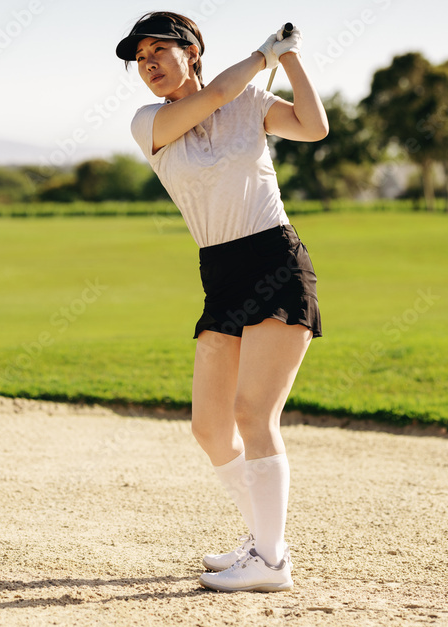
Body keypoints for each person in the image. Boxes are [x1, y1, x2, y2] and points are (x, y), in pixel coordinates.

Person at [116, 12, 329, 592]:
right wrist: (262, 54)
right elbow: (212, 96)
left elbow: (313, 127)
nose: (150, 64)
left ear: (193, 51)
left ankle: (270, 562)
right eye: (141, 59)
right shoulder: (149, 123)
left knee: (253, 413)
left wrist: (289, 58)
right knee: (211, 428)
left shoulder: (251, 101)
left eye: (160, 50)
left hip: (274, 262)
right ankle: (263, 539)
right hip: (221, 272)